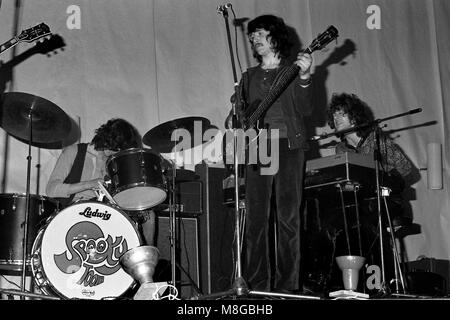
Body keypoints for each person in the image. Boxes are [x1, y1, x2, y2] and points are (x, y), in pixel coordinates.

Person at [225, 14, 313, 294]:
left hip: (288, 145)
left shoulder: (292, 69)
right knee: (256, 219)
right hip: (258, 147)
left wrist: (306, 77)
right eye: (252, 37)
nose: (254, 40)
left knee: (288, 217)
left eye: (260, 34)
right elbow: (239, 116)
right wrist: (233, 118)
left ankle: (288, 287)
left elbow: (306, 109)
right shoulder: (248, 77)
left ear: (275, 35)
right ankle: (258, 286)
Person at [46, 118, 156, 246]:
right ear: (107, 142)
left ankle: (149, 256)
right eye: (116, 149)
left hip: (109, 211)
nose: (115, 154)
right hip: (77, 212)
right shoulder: (74, 152)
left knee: (148, 213)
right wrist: (89, 184)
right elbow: (51, 189)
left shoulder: (115, 161)